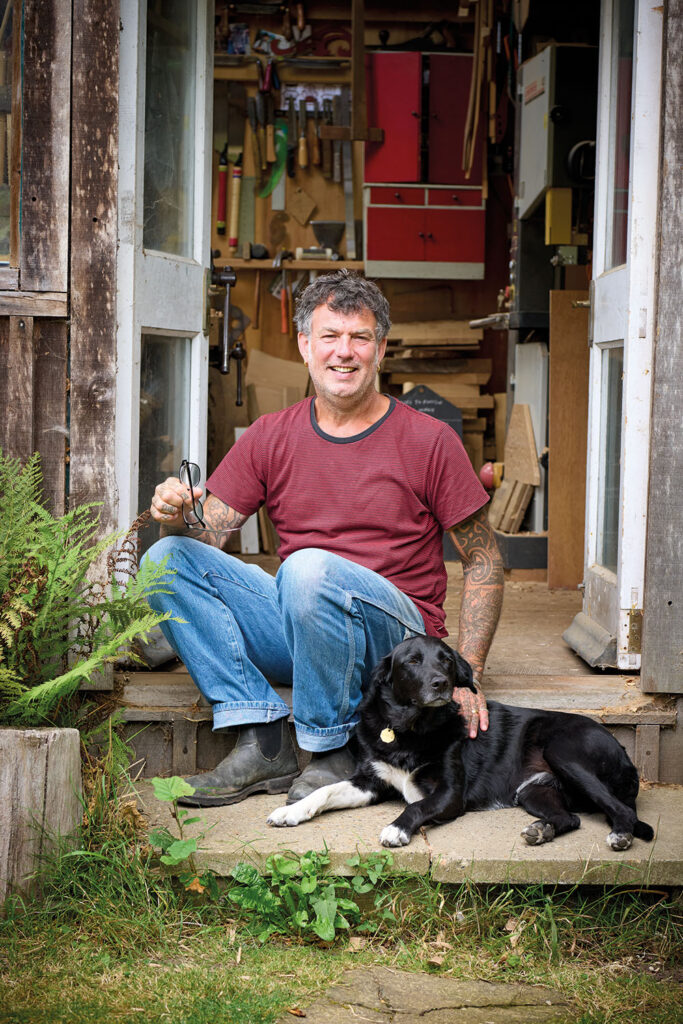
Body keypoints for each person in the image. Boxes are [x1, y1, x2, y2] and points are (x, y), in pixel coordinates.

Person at [145, 270, 504, 807]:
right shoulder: (271, 435)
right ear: (304, 346)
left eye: (360, 337)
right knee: (166, 558)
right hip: (305, 622)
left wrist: (466, 676)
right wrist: (173, 516)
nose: (344, 352)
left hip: (394, 644)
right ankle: (262, 737)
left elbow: (484, 560)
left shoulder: (430, 440)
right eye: (330, 336)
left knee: (308, 569)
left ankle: (330, 745)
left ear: (381, 349)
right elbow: (206, 537)